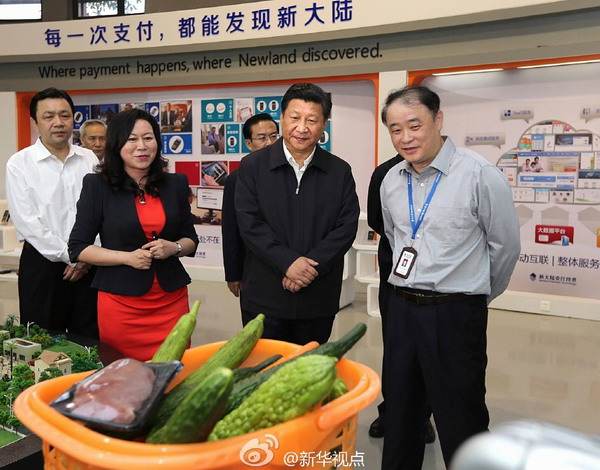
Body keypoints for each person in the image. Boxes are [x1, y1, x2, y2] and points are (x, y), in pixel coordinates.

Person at [379, 85, 520, 469]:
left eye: (414, 125)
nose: (405, 137)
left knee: (462, 416)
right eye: (395, 129)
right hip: (402, 310)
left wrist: (474, 297)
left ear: (438, 120)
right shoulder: (391, 180)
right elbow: (396, 239)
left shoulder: (480, 174)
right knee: (401, 414)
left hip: (456, 314)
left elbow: (504, 247)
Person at [68, 109, 199, 361]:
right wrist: (127, 258)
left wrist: (174, 248)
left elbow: (190, 239)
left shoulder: (176, 184)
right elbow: (78, 247)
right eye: (132, 139)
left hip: (170, 300)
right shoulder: (98, 186)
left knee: (173, 372)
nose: (142, 146)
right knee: (123, 377)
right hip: (121, 305)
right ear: (117, 144)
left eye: (148, 138)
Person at [235, 82, 359, 345]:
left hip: (318, 295)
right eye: (294, 118)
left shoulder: (339, 171)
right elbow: (249, 223)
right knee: (265, 374)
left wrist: (309, 267)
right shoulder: (252, 167)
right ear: (281, 118)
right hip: (265, 294)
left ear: (324, 124)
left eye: (312, 120)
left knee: (309, 375)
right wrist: (287, 262)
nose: (302, 128)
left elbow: (346, 226)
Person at [5, 87, 99, 338]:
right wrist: (73, 256)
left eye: (64, 115)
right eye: (48, 116)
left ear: (73, 119)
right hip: (42, 265)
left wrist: (87, 256)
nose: (58, 122)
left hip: (90, 265)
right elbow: (27, 223)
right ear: (35, 122)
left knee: (90, 339)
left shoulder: (90, 159)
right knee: (41, 342)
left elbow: (103, 212)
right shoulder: (19, 163)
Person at [367, 155, 437, 444]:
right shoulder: (385, 172)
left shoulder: (456, 170)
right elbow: (376, 218)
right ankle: (392, 411)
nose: (408, 135)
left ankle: (423, 415)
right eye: (398, 127)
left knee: (433, 349)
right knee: (396, 347)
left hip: (438, 279)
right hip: (396, 272)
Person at [222, 114, 279, 299]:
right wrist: (233, 273)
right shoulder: (236, 179)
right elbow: (230, 230)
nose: (269, 143)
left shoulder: (291, 174)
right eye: (262, 138)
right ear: (249, 143)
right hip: (252, 269)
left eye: (274, 136)